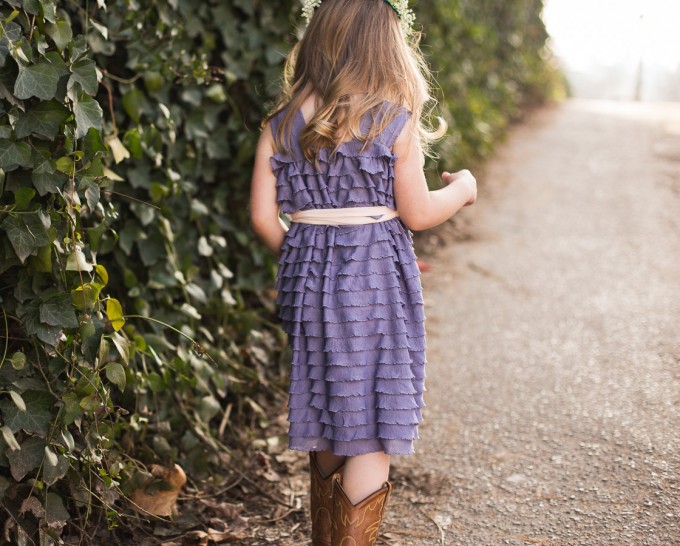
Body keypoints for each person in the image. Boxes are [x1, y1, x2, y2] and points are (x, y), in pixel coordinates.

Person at [249, 0, 477, 543]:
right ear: (387, 47)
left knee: (329, 409)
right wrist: (463, 187)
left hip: (308, 284)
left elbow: (262, 217)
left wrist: (306, 258)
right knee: (372, 427)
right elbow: (418, 213)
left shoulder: (280, 124)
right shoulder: (390, 118)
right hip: (374, 280)